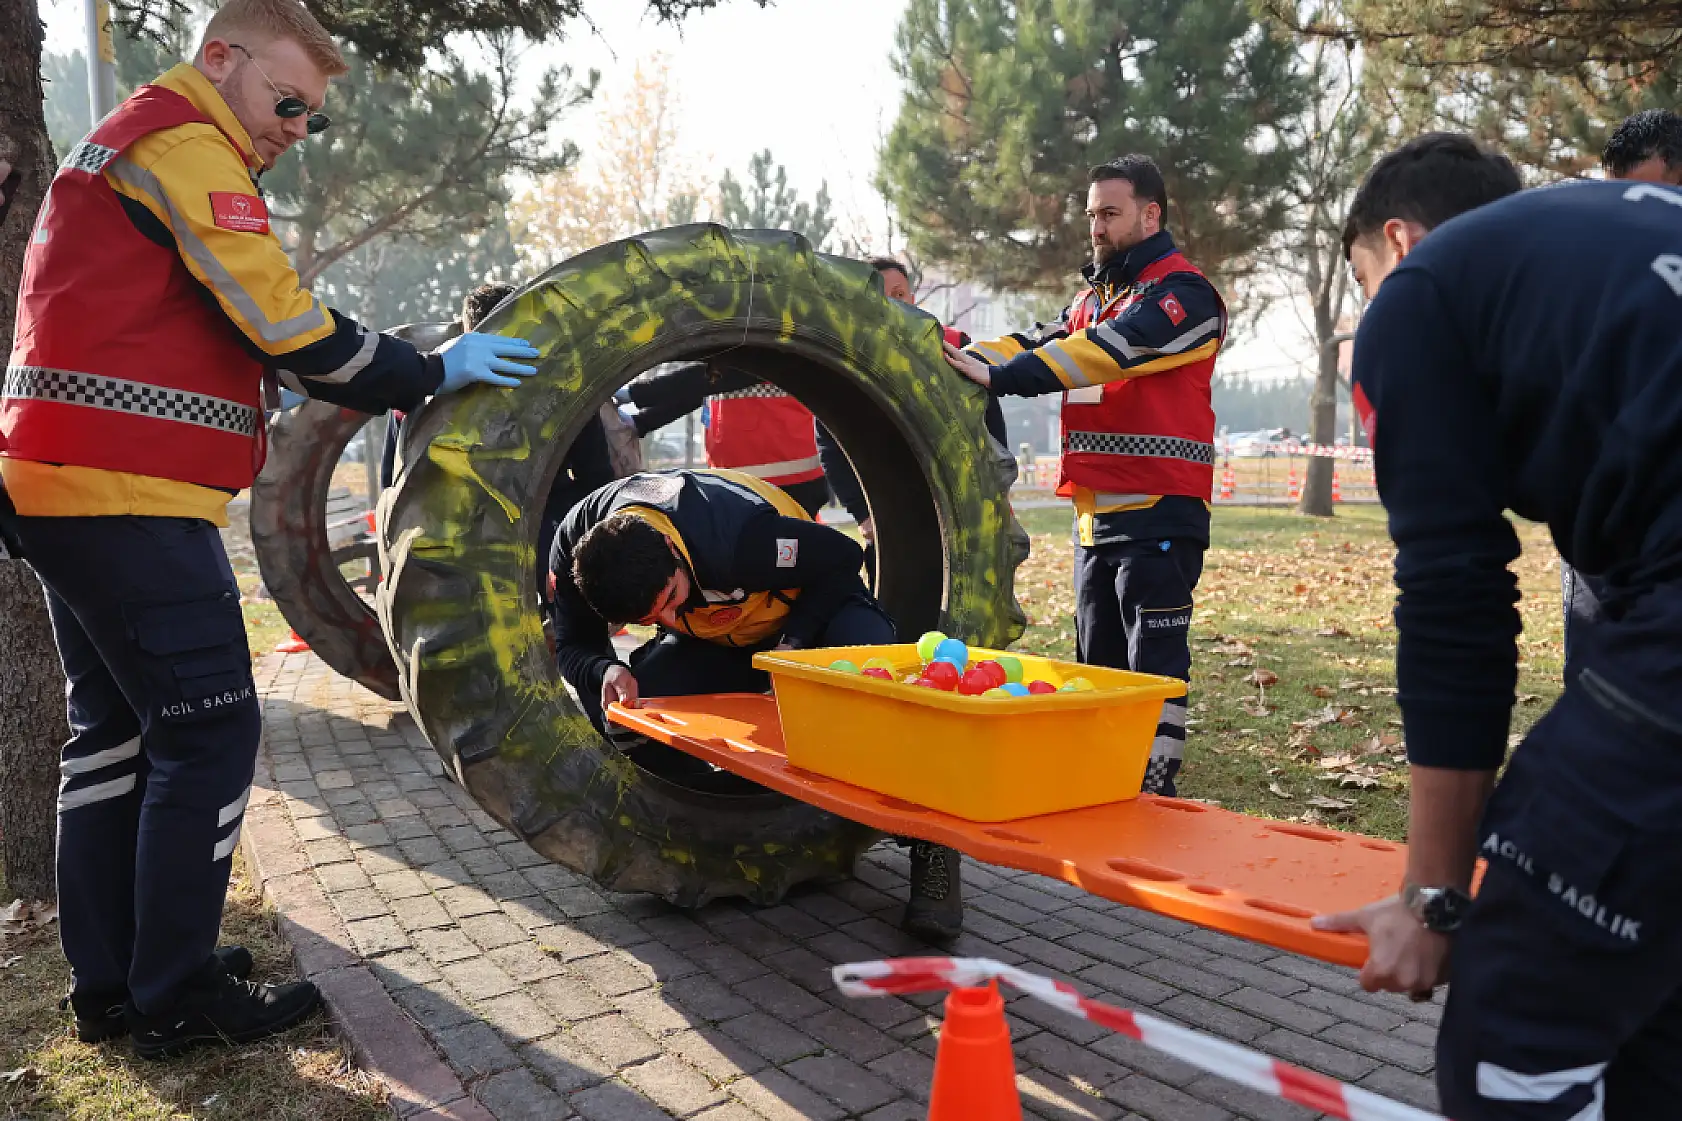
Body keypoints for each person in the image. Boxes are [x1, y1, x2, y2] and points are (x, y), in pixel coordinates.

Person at [0, 0, 539, 1058]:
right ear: (220, 59)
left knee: (112, 734)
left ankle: (112, 984)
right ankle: (177, 994)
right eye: (287, 102)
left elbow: (168, 324)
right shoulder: (188, 147)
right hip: (128, 496)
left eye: (312, 117)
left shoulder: (124, 146)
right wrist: (428, 369)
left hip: (56, 481)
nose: (296, 129)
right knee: (208, 733)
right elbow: (286, 323)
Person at [1312, 132, 1682, 1117]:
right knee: (1652, 1018)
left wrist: (1432, 894)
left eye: (1362, 278)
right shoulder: (1607, 244)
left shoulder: (1420, 292)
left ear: (1398, 240)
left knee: (1519, 1026)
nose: (1371, 303)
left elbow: (1454, 599)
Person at [547, 468, 965, 940]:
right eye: (650, 619)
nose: (669, 619)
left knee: (872, 683)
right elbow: (573, 645)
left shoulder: (738, 539)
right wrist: (604, 669)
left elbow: (843, 557)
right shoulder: (578, 553)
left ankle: (932, 846)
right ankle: (712, 820)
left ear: (670, 549)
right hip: (720, 641)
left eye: (671, 599)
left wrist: (793, 645)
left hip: (813, 619)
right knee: (634, 716)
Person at [943, 155, 1226, 797]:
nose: (1096, 227)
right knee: (1097, 666)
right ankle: (1105, 784)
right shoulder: (1094, 301)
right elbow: (1036, 341)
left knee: (1152, 669)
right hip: (1094, 521)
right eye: (1092, 214)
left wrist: (1003, 378)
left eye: (1110, 213)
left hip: (1159, 511)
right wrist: (958, 354)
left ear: (1150, 215)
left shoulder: (1185, 296)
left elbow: (1107, 351)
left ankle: (1154, 789)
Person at [1559, 109, 1682, 666]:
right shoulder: (1593, 267)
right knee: (1596, 669)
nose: (1641, 217)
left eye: (1659, 197)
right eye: (1626, 199)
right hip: (1606, 514)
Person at [817, 257, 1008, 571]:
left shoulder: (953, 345)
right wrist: (862, 514)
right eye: (879, 295)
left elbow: (991, 424)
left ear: (912, 297)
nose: (893, 304)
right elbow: (830, 445)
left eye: (899, 294)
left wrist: (997, 491)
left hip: (958, 506)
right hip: (886, 511)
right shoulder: (843, 360)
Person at [620, 364, 831, 517]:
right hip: (747, 482)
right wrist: (641, 422)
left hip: (786, 482)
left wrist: (634, 393)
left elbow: (708, 378)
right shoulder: (730, 351)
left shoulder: (763, 345)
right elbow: (697, 391)